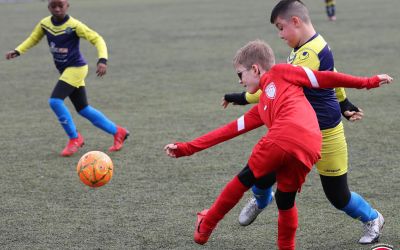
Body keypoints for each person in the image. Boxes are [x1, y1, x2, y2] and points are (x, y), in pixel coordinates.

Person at [164, 40, 392, 249]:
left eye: (240, 74)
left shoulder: (282, 71)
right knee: (285, 199)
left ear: (255, 68)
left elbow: (326, 78)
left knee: (246, 177)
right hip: (311, 144)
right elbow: (229, 130)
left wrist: (368, 83)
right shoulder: (262, 106)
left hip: (293, 136)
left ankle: (205, 226)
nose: (240, 81)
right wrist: (187, 148)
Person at [222, 0, 384, 245]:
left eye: (280, 27)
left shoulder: (311, 51)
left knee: (338, 195)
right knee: (263, 170)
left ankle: (373, 218)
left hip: (327, 134)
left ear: (295, 22)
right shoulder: (303, 48)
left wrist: (243, 98)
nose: (279, 35)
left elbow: (282, 85)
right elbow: (328, 76)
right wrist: (344, 103)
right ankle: (262, 199)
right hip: (298, 132)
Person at [5, 0, 129, 157]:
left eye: (60, 6)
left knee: (55, 101)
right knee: (83, 109)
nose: (57, 9)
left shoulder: (74, 25)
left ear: (67, 6)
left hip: (76, 68)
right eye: (53, 6)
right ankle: (118, 132)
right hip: (65, 71)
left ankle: (75, 138)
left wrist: (102, 60)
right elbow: (33, 39)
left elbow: (97, 39)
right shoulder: (45, 24)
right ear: (48, 7)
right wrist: (18, 51)